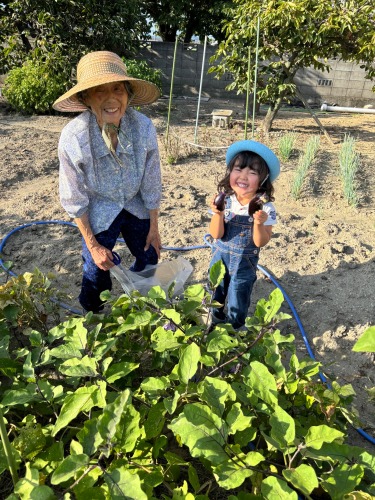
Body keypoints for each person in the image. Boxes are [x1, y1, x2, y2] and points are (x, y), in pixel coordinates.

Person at [53, 51, 162, 313]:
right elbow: (73, 196)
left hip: (135, 200)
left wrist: (154, 227)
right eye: (99, 91)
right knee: (96, 265)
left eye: (117, 89)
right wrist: (92, 244)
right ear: (85, 98)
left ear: (128, 94)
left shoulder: (143, 127)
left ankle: (141, 296)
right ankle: (94, 312)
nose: (111, 98)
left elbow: (151, 181)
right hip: (99, 205)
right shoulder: (74, 137)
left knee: (150, 254)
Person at [208, 140, 280, 330]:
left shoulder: (266, 208)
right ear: (230, 172)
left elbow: (260, 242)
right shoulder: (225, 201)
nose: (243, 176)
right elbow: (216, 234)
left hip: (244, 262)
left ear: (263, 179)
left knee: (238, 295)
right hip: (220, 258)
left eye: (252, 172)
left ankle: (234, 328)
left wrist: (259, 223)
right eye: (238, 169)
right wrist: (218, 214)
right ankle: (213, 319)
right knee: (216, 290)